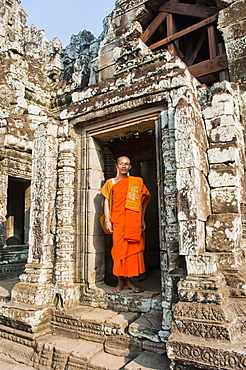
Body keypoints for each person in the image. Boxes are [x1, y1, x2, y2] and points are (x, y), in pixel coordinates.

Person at [100, 156, 151, 293]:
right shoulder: (110, 182)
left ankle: (129, 282)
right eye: (121, 164)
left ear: (130, 167)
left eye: (126, 164)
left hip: (133, 222)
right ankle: (119, 283)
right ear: (116, 166)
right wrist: (107, 220)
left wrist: (142, 220)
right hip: (118, 220)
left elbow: (140, 203)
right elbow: (106, 202)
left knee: (131, 253)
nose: (124, 166)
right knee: (118, 252)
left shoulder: (136, 182)